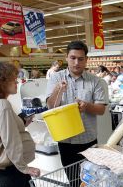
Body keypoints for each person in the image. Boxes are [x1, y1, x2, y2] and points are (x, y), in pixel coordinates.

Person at [46, 40, 107, 171]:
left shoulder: (96, 81)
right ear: (66, 57)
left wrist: (87, 106)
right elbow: (51, 106)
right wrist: (58, 90)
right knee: (72, 178)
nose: (76, 63)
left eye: (81, 59)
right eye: (73, 58)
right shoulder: (56, 78)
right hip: (65, 140)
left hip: (88, 139)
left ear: (86, 60)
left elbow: (101, 110)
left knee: (90, 179)